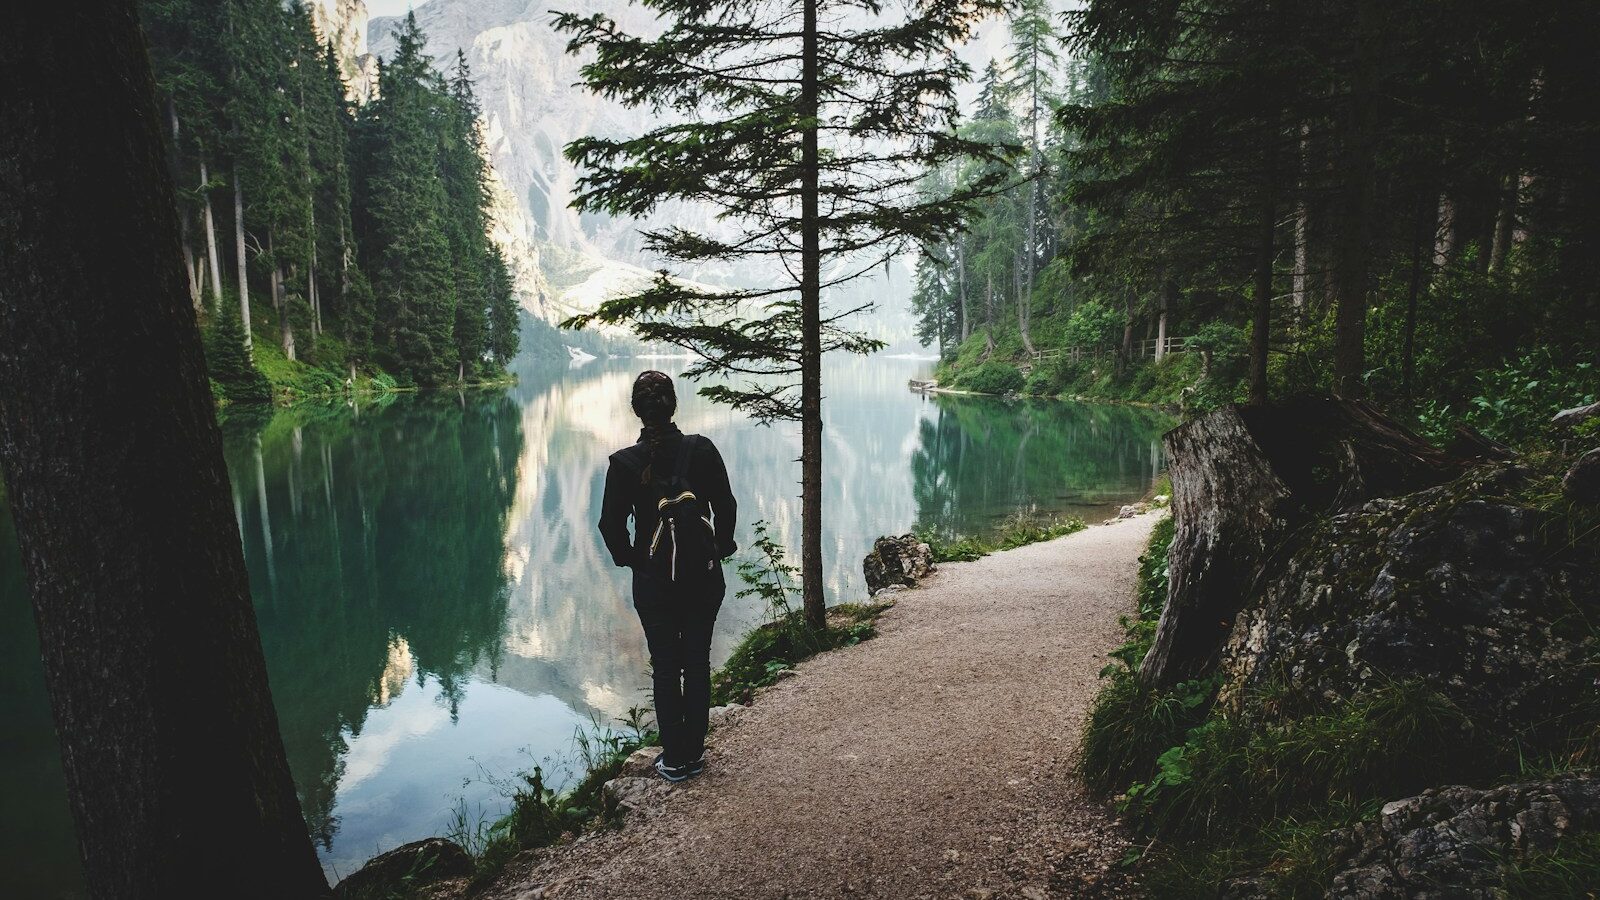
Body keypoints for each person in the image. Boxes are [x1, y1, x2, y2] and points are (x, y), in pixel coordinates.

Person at [599, 370, 738, 781]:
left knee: (665, 665)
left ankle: (675, 759)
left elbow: (610, 525)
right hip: (703, 576)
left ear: (637, 411)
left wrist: (633, 560)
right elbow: (726, 505)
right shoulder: (701, 449)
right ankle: (695, 753)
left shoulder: (624, 464)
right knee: (696, 661)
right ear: (673, 405)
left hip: (654, 582)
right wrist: (721, 548)